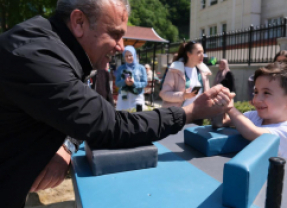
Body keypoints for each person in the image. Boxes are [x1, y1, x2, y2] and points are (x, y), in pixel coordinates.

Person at [0, 0, 235, 207]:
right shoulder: (38, 58)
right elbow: (110, 125)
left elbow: (81, 118)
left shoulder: (57, 50)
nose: (121, 46)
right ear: (79, 21)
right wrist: (191, 111)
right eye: (114, 34)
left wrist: (67, 147)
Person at [223, 62, 287, 158]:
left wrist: (230, 108)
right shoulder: (253, 116)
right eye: (256, 92)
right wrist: (221, 103)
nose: (257, 99)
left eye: (266, 93)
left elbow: (252, 133)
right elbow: (224, 122)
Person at [159, 41, 212, 125]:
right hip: (177, 116)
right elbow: (164, 94)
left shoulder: (203, 71)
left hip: (197, 116)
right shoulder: (175, 71)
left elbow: (207, 94)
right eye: (198, 52)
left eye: (203, 52)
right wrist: (183, 96)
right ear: (189, 54)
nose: (202, 55)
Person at [115, 46, 147, 111]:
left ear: (134, 55)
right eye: (126, 56)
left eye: (130, 55)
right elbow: (117, 83)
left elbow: (145, 83)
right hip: (123, 97)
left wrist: (134, 83)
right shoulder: (121, 68)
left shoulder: (141, 68)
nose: (128, 58)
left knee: (138, 116)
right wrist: (125, 82)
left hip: (137, 96)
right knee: (123, 118)